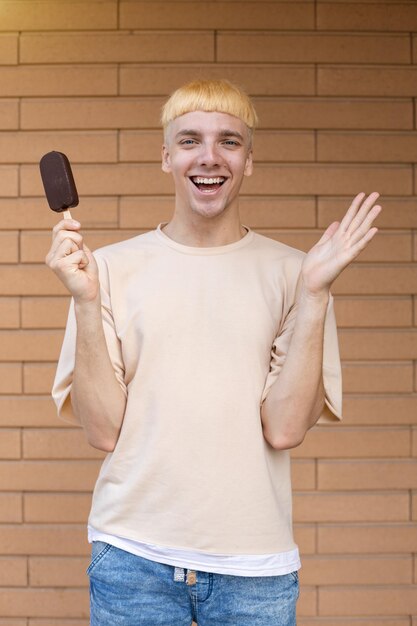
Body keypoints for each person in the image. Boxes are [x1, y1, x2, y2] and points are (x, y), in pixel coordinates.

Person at [47, 79, 381, 626]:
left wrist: (316, 293)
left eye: (229, 141)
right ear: (166, 156)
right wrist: (85, 303)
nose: (209, 157)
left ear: (249, 160)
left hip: (255, 568)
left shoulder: (298, 273)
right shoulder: (103, 270)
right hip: (133, 559)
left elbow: (285, 430)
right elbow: (103, 432)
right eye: (189, 140)